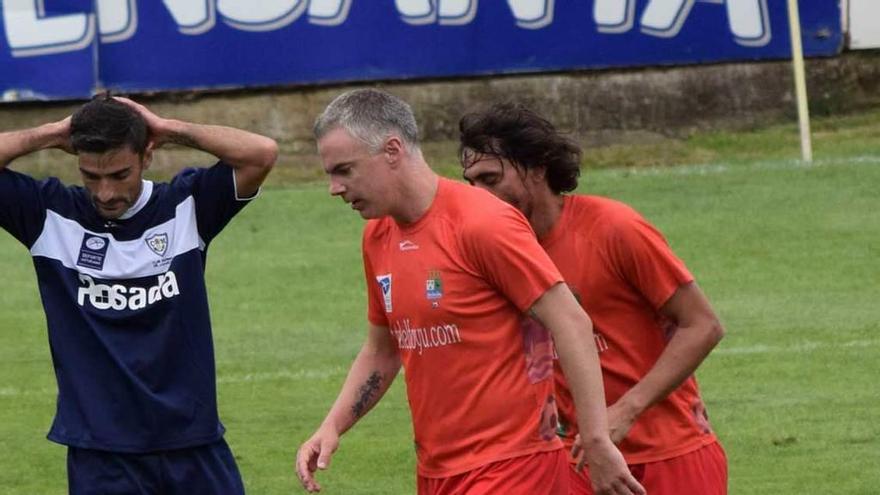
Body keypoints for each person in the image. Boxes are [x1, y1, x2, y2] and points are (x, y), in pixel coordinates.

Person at [295, 89, 644, 495]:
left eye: (345, 170)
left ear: (392, 150)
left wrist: (597, 440)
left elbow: (571, 322)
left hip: (514, 467)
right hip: (438, 472)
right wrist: (332, 426)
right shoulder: (378, 235)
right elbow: (383, 349)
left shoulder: (483, 223)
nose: (334, 188)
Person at [0, 94, 277, 494]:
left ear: (147, 156)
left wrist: (168, 128)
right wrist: (51, 132)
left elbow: (261, 153)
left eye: (119, 175)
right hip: (101, 455)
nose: (105, 192)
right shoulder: (48, 214)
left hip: (191, 443)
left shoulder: (186, 207)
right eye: (91, 176)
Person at [458, 102, 728, 494]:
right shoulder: (491, 251)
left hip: (669, 456)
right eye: (471, 184)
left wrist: (625, 410)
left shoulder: (614, 229)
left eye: (491, 179)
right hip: (575, 462)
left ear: (537, 168)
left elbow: (703, 325)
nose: (479, 197)